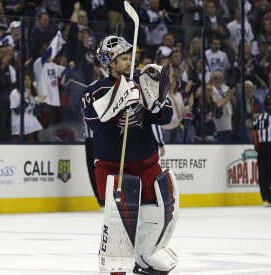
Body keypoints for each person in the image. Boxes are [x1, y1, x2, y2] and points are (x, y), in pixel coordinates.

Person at [82, 35, 178, 275]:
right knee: (120, 221)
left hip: (147, 162)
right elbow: (94, 123)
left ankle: (144, 256)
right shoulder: (95, 90)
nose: (129, 62)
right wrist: (118, 101)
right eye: (124, 59)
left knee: (160, 214)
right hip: (113, 166)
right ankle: (115, 264)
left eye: (130, 57)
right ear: (111, 63)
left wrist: (156, 101)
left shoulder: (142, 82)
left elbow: (165, 117)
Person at [9, 74, 45, 142]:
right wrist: (26, 100)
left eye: (29, 80)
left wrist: (39, 102)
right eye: (25, 80)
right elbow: (17, 111)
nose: (28, 82)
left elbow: (32, 109)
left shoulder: (31, 91)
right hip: (19, 125)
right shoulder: (15, 92)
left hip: (31, 125)